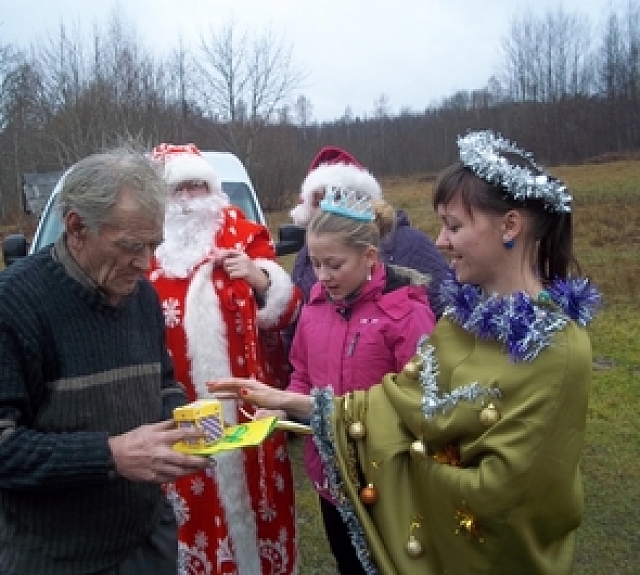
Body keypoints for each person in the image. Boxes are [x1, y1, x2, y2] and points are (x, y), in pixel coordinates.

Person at [210, 130, 602, 575]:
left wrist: (403, 463)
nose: (440, 242)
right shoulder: (457, 327)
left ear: (510, 226)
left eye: (454, 225)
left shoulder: (557, 350)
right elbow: (395, 404)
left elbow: (505, 498)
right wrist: (286, 401)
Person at [0, 148, 213, 575]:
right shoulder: (9, 309)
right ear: (77, 227)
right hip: (53, 560)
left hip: (147, 543)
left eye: (153, 245)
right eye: (131, 246)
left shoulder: (140, 296)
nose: (146, 264)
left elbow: (162, 381)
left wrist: (178, 421)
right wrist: (109, 455)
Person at [260, 187, 435, 575]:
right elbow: (302, 375)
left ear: (369, 257)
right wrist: (280, 405)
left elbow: (421, 400)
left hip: (388, 477)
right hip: (329, 472)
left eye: (334, 265)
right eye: (316, 264)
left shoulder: (405, 313)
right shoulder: (315, 307)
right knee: (348, 561)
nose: (323, 276)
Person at [148, 143, 303, 575]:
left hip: (247, 409)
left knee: (255, 507)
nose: (191, 197)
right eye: (180, 188)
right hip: (178, 411)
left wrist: (259, 278)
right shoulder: (144, 249)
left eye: (200, 185)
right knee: (192, 508)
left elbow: (288, 312)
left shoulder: (242, 233)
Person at [290, 146, 450, 317]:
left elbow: (447, 309)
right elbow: (295, 329)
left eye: (335, 198)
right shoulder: (306, 257)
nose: (326, 211)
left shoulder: (411, 244)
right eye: (317, 202)